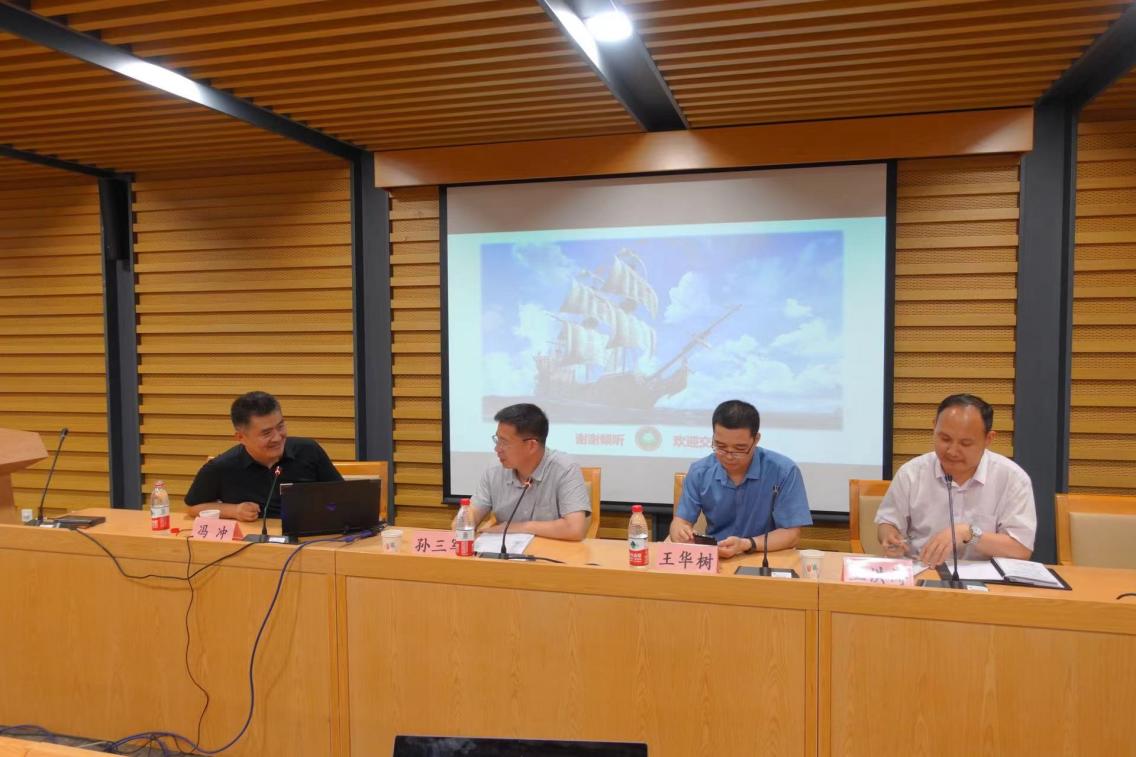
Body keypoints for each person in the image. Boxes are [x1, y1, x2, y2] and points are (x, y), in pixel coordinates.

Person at [875, 393, 1035, 566]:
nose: (952, 451)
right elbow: (888, 522)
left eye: (965, 443)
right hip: (923, 570)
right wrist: (889, 536)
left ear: (988, 439)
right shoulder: (911, 473)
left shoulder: (1012, 479)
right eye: (945, 439)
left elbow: (1021, 549)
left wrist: (967, 534)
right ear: (934, 427)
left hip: (985, 578)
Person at [670, 399, 812, 558]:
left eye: (739, 449)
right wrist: (681, 532)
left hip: (765, 556)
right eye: (721, 447)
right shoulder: (700, 472)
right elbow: (680, 523)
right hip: (717, 557)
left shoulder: (783, 471)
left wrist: (746, 544)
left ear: (756, 439)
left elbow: (791, 534)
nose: (729, 456)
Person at [185, 391, 343, 522]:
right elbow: (192, 507)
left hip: (309, 537)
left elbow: (342, 496)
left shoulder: (308, 450)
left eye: (280, 426)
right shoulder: (221, 466)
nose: (277, 438)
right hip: (253, 542)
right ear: (241, 437)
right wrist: (234, 510)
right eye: (266, 433)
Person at [466, 403, 591, 541]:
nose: (497, 449)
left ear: (531, 445)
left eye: (504, 442)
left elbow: (574, 529)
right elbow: (471, 513)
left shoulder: (565, 469)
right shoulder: (494, 470)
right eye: (497, 440)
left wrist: (521, 527)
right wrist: (465, 522)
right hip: (505, 551)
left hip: (551, 551)